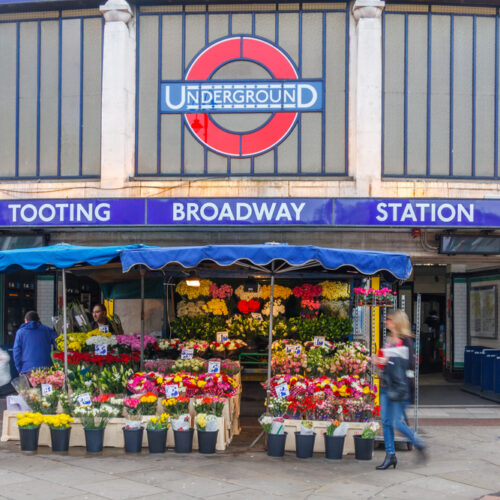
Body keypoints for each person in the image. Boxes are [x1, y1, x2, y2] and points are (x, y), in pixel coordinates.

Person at [374, 309, 426, 470]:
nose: (386, 322)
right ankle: (390, 455)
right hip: (385, 385)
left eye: (389, 319)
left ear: (397, 322)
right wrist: (379, 361)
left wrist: (389, 360)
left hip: (399, 388)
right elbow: (385, 362)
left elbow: (410, 365)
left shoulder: (406, 341)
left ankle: (418, 443)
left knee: (397, 421)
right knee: (386, 421)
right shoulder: (388, 339)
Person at [13, 311, 58, 375]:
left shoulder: (20, 333)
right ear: (38, 320)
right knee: (45, 385)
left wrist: (19, 369)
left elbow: (16, 352)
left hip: (27, 369)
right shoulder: (47, 330)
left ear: (26, 320)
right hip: (46, 367)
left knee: (29, 385)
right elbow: (59, 343)